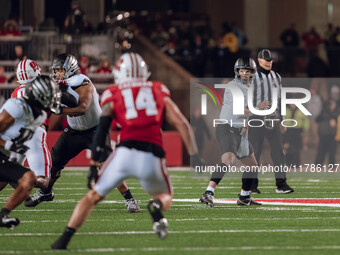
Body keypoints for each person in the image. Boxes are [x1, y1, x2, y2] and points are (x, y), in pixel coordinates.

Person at [51, 52, 202, 249]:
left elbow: (102, 127)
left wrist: (93, 163)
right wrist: (196, 156)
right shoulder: (158, 89)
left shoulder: (113, 93)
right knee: (164, 196)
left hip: (125, 153)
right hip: (152, 154)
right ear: (144, 72)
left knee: (92, 198)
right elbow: (182, 123)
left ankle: (64, 239)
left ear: (119, 73)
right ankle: (155, 207)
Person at [24, 54, 140, 213]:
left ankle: (130, 199)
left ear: (70, 69)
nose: (57, 73)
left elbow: (82, 108)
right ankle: (45, 192)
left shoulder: (82, 81)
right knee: (54, 162)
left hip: (95, 130)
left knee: (106, 166)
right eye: (55, 70)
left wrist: (58, 109)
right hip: (73, 131)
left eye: (60, 70)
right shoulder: (59, 85)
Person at [199, 57, 264, 207]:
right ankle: (208, 192)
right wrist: (258, 109)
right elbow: (239, 111)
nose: (245, 74)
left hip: (240, 131)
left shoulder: (250, 89)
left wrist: (246, 127)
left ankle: (244, 197)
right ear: (237, 72)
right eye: (242, 71)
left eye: (248, 71)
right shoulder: (233, 86)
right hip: (227, 127)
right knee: (228, 160)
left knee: (253, 166)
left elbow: (246, 115)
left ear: (252, 73)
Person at [0, 76, 61, 229]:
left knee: (28, 179)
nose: (53, 100)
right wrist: (9, 145)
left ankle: (2, 216)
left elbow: (20, 139)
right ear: (39, 96)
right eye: (49, 97)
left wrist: (14, 158)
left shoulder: (40, 115)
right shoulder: (17, 106)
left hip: (4, 156)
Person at [248, 49, 294, 194]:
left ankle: (281, 184)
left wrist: (283, 120)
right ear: (259, 60)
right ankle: (252, 185)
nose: (269, 63)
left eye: (271, 60)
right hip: (256, 118)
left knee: (278, 151)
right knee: (255, 152)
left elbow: (280, 100)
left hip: (273, 118)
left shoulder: (277, 76)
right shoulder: (252, 77)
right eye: (266, 60)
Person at [315, 99, 338, 166]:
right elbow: (317, 119)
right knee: (321, 152)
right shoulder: (323, 113)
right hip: (323, 135)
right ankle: (318, 166)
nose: (333, 106)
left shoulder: (335, 113)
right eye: (331, 104)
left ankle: (332, 166)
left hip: (332, 135)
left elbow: (335, 116)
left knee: (332, 153)